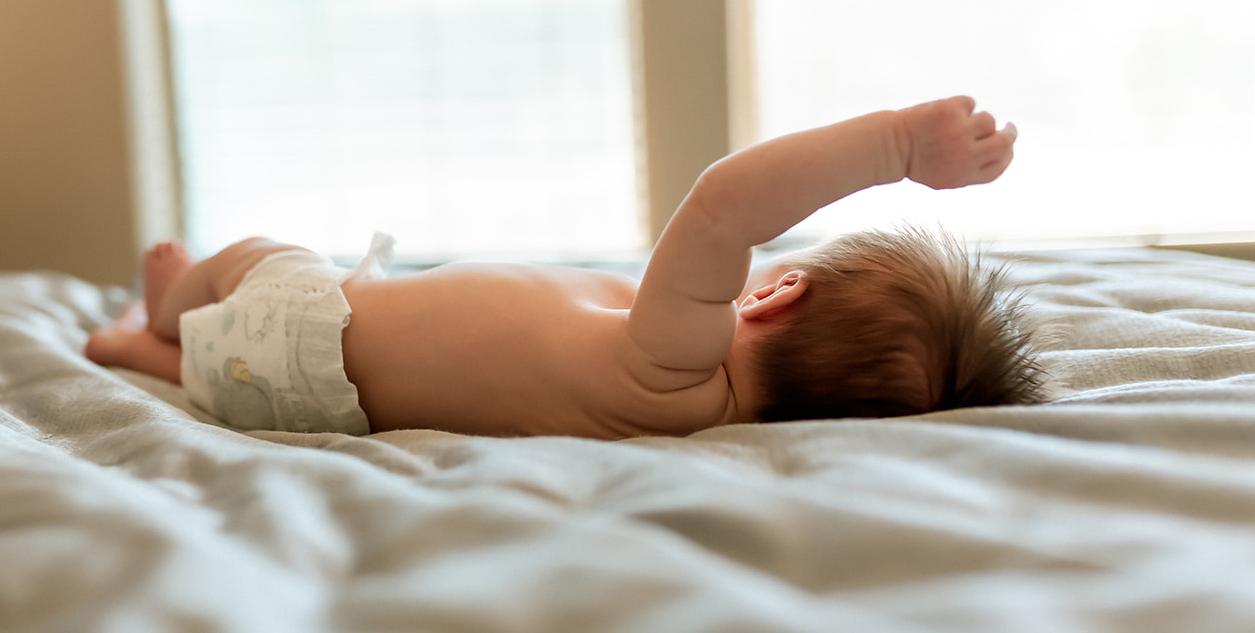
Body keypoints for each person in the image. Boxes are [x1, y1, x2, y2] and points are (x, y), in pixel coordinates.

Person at [85, 96, 1047, 438]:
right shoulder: (690, 410)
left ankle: (173, 305)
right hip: (317, 403)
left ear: (779, 292)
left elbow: (723, 205)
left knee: (265, 259)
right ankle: (148, 355)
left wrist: (893, 147)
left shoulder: (681, 354)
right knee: (247, 374)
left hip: (308, 323)